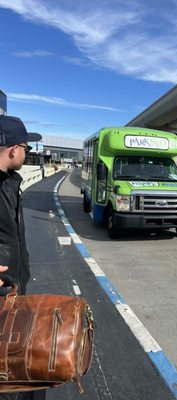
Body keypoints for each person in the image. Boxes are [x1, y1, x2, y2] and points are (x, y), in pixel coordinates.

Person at [0, 115, 46, 400]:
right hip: (3, 293)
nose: (27, 153)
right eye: (26, 147)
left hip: (14, 292)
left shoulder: (8, 184)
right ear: (13, 149)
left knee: (25, 373)